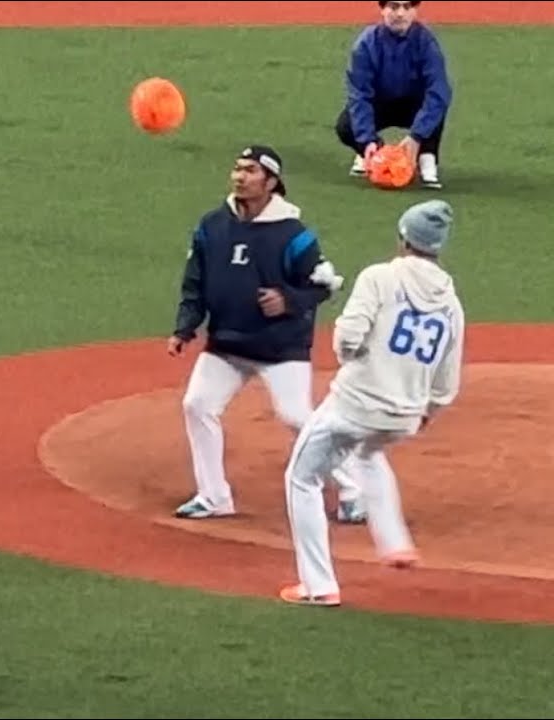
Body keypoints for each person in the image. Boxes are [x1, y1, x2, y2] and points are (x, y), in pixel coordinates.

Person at [169, 145, 369, 524]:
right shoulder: (212, 226)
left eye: (250, 170)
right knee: (197, 405)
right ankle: (213, 496)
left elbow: (324, 284)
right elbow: (194, 283)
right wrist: (185, 327)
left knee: (297, 417)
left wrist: (288, 300)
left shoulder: (294, 234)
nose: (240, 176)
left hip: (280, 347)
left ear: (271, 182)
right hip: (226, 344)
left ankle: (355, 489)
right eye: (237, 168)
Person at [280, 199, 463, 607]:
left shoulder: (380, 277)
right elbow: (447, 378)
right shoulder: (451, 303)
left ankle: (318, 586)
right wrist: (428, 411)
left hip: (355, 404)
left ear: (404, 238)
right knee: (368, 453)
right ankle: (394, 542)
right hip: (403, 415)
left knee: (301, 479)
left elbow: (348, 336)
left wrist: (352, 359)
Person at [336, 0, 453, 189]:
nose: (400, 14)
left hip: (414, 104)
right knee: (345, 126)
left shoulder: (426, 42)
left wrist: (416, 136)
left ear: (414, 10)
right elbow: (360, 95)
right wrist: (367, 140)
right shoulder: (366, 44)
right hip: (379, 102)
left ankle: (427, 158)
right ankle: (375, 155)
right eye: (394, 6)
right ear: (382, 9)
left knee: (435, 105)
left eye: (407, 7)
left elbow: (439, 91)